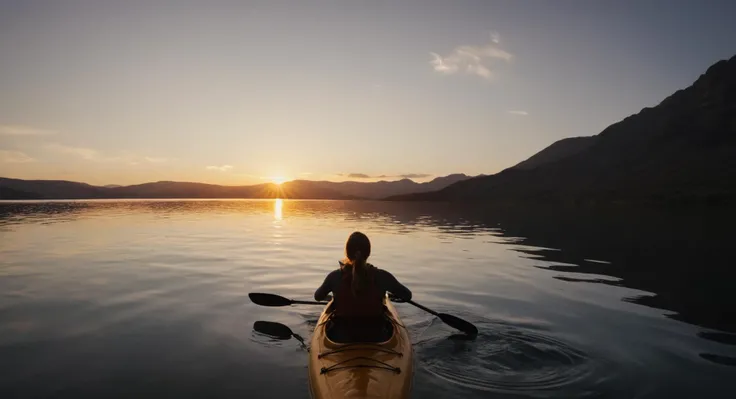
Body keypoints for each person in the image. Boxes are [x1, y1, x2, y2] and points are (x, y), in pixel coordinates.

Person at [314, 231, 412, 342]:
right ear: (368, 253)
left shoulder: (334, 277)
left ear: (347, 253)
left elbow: (317, 296)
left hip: (341, 337)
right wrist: (392, 295)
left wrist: (331, 298)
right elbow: (407, 295)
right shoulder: (383, 277)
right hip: (376, 336)